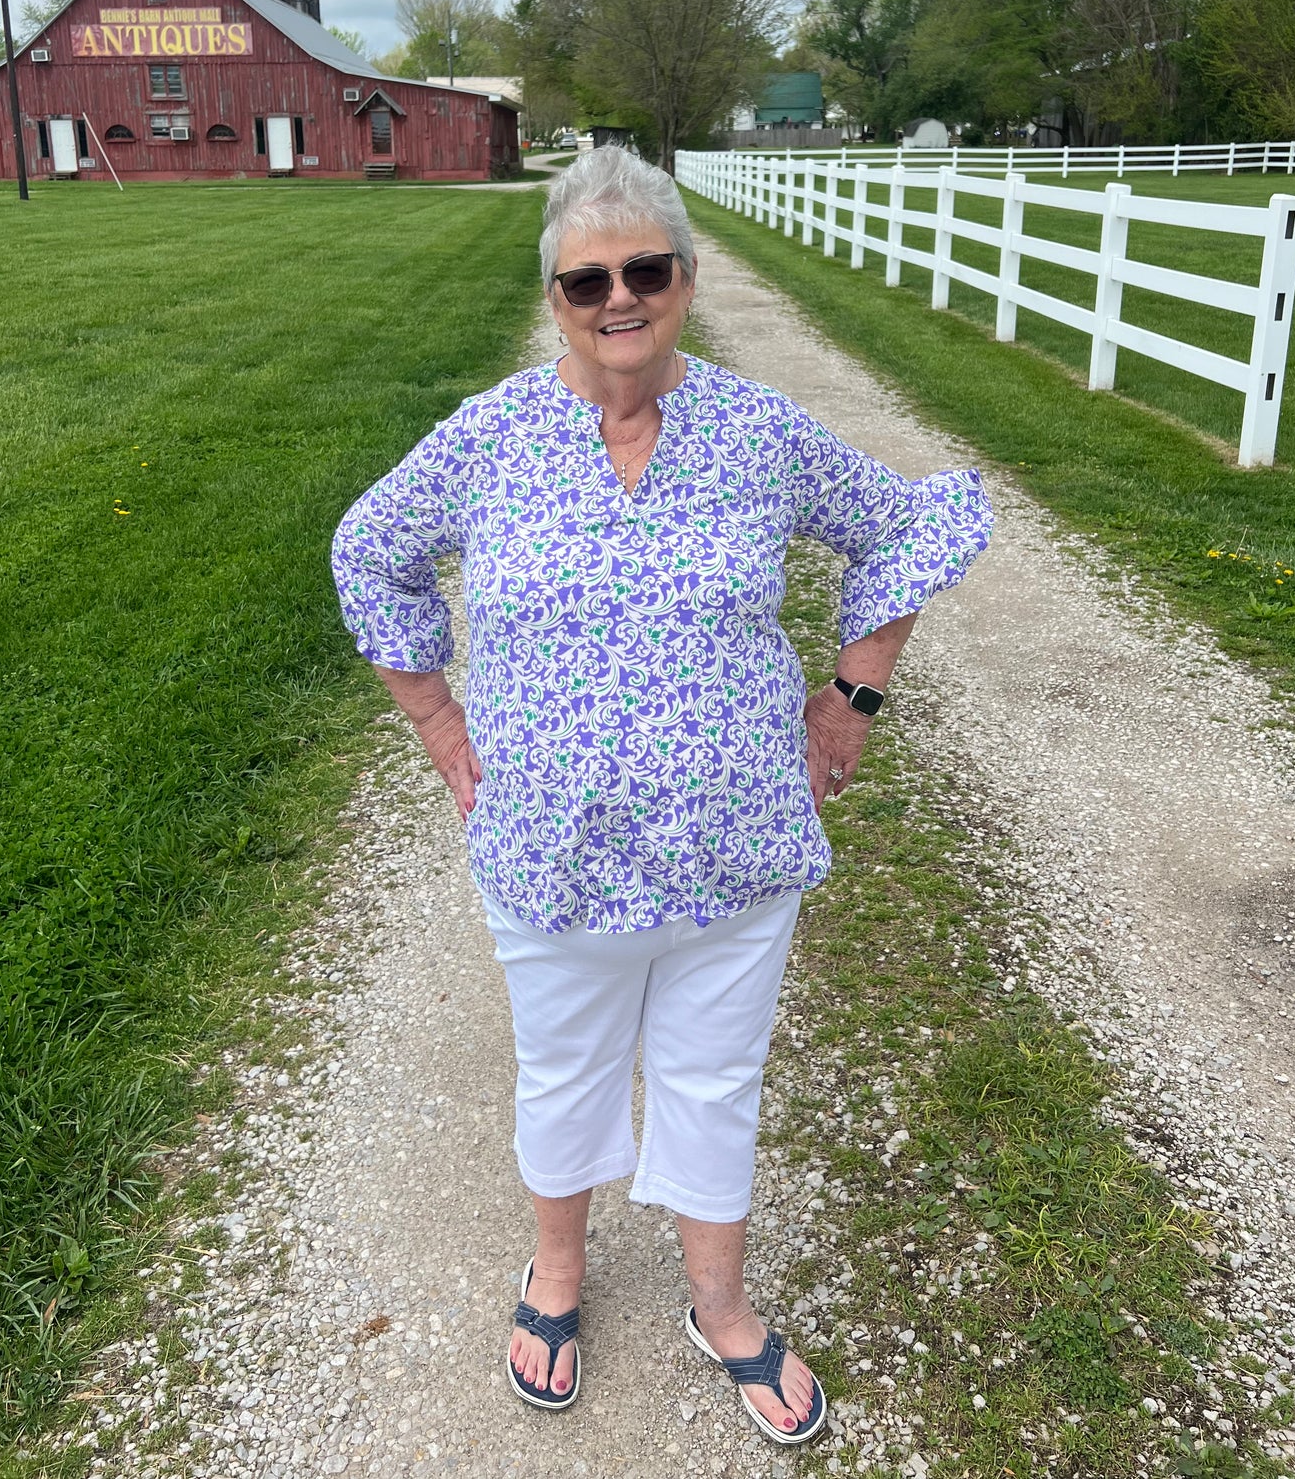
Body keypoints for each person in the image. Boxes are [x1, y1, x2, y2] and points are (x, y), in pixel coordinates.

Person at [331, 148, 992, 1446]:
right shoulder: (491, 437)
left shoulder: (757, 432)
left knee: (713, 1075)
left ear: (683, 280)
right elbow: (370, 550)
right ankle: (557, 1277)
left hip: (734, 845)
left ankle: (719, 1303)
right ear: (559, 292)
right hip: (552, 853)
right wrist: (436, 721)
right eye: (589, 278)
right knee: (563, 1070)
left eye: (647, 269)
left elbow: (909, 524)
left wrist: (849, 700)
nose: (619, 295)